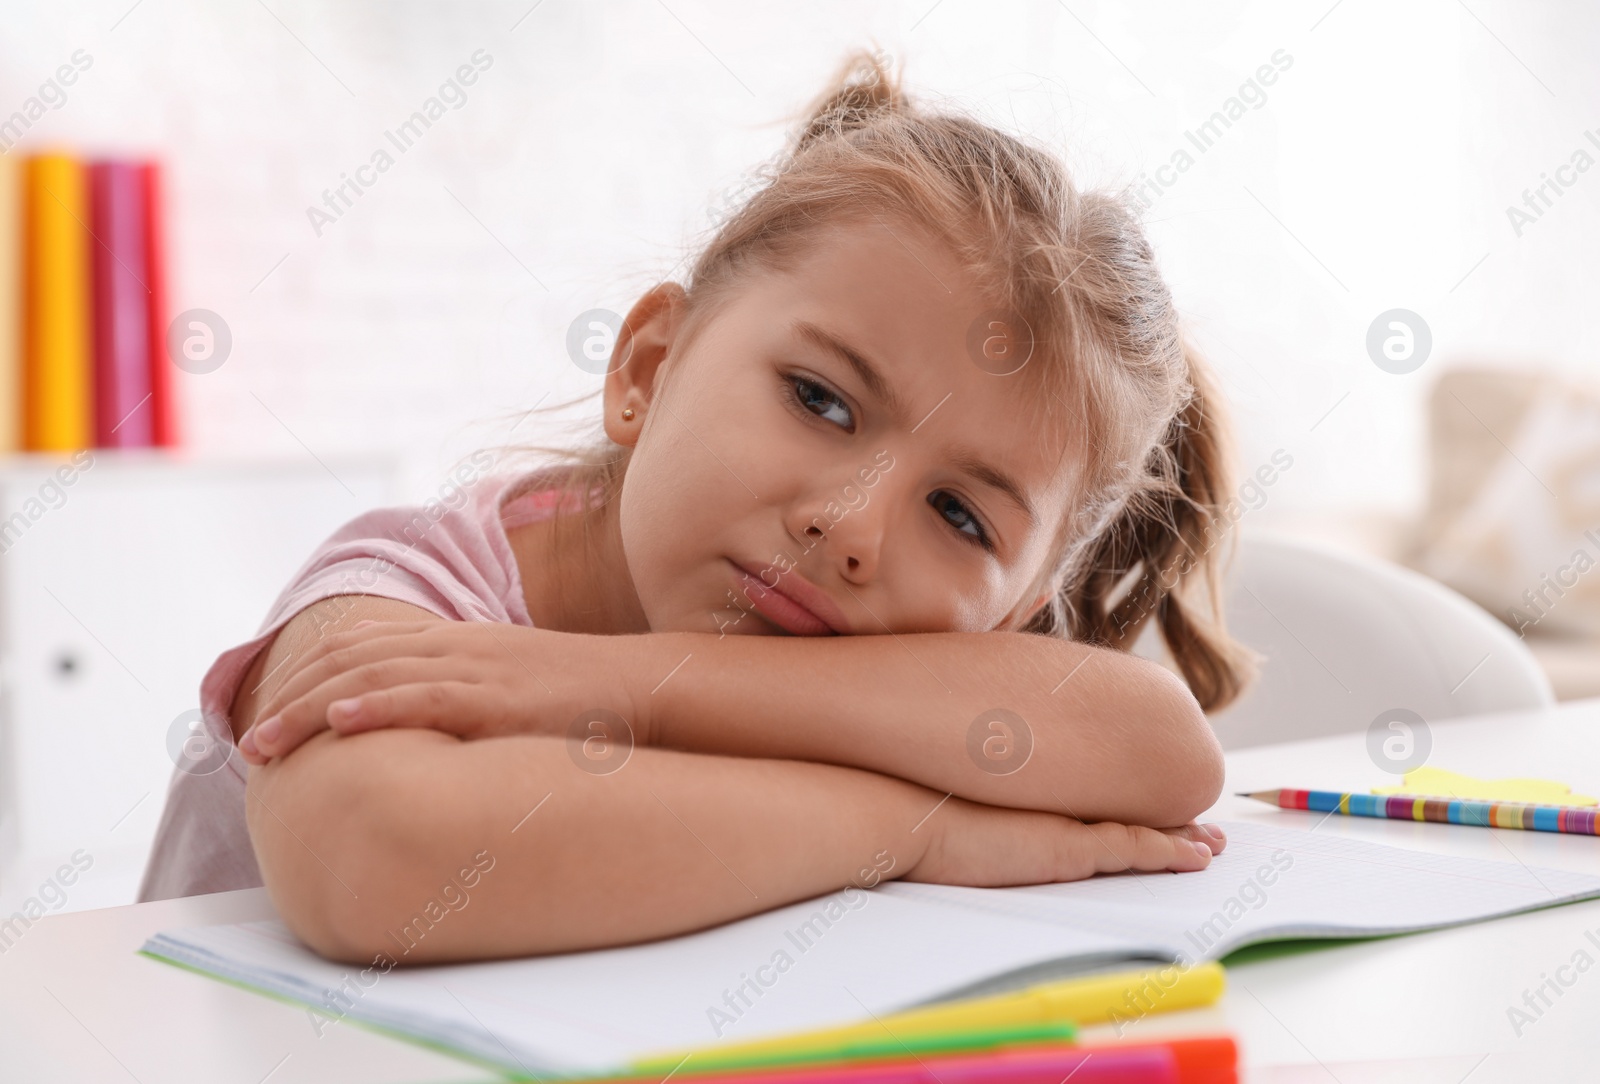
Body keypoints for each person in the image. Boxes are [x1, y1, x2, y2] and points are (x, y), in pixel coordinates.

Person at [139, 50, 1254, 965]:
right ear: (649, 367)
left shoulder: (914, 654)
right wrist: (911, 829)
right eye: (821, 400)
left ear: (1019, 612)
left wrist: (602, 683)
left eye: (961, 517)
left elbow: (1166, 756)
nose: (853, 529)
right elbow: (375, 859)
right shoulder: (406, 591)